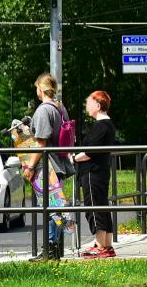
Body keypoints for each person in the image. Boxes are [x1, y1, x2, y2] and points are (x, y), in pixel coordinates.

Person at [25, 73, 74, 258]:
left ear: (41, 88)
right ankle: (54, 249)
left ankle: (50, 249)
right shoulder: (60, 107)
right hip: (59, 163)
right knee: (56, 206)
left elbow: (41, 143)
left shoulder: (43, 110)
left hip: (48, 166)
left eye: (37, 87)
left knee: (50, 209)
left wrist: (29, 167)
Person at [74, 91, 117, 259]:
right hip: (100, 171)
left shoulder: (100, 126)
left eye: (88, 103)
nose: (86, 106)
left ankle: (100, 246)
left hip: (93, 172)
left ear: (98, 106)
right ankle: (106, 245)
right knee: (102, 206)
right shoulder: (108, 125)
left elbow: (91, 151)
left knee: (94, 207)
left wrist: (73, 158)